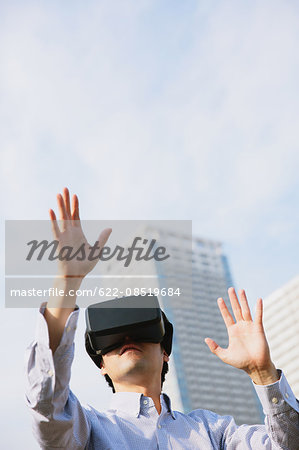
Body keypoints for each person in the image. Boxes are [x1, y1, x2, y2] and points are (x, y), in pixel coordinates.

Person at [25, 188, 299, 449]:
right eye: (113, 339)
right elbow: (47, 405)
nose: (128, 338)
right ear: (102, 366)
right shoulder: (87, 430)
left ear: (165, 353)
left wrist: (265, 374)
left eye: (143, 331)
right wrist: (68, 281)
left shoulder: (213, 431)